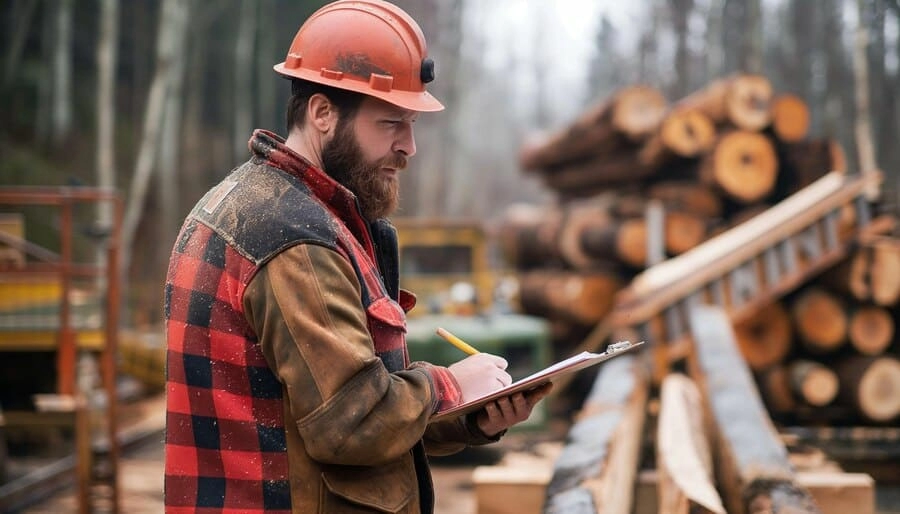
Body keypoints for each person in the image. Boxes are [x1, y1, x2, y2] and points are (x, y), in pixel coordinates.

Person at [163, 1, 551, 512]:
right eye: (391, 123)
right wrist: (448, 384)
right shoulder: (293, 237)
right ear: (323, 113)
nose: (409, 147)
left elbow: (339, 405)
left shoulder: (268, 209)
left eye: (410, 124)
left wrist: (470, 414)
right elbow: (350, 424)